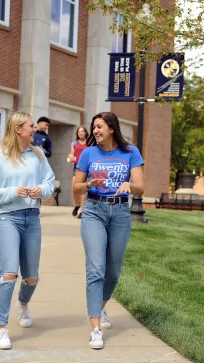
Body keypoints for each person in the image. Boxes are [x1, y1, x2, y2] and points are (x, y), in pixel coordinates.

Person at [0, 112, 55, 350]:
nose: (36, 130)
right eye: (31, 126)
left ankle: (23, 303)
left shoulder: (39, 155)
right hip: (7, 218)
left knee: (31, 277)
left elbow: (50, 183)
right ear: (18, 129)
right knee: (9, 272)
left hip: (32, 218)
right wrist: (13, 192)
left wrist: (39, 190)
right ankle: (0, 326)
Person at [73, 112, 144, 349]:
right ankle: (95, 328)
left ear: (112, 128)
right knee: (96, 269)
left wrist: (129, 185)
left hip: (120, 213)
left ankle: (100, 306)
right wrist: (88, 184)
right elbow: (76, 187)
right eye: (93, 127)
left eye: (99, 126)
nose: (95, 130)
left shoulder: (130, 152)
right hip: (94, 210)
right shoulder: (88, 153)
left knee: (113, 272)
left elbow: (140, 188)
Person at [67, 126, 89, 219]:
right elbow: (72, 154)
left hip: (86, 168)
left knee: (83, 189)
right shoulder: (74, 143)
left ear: (85, 133)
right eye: (79, 131)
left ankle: (82, 209)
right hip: (76, 168)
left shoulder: (89, 143)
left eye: (82, 131)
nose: (80, 133)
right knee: (75, 189)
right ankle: (76, 205)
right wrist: (71, 157)